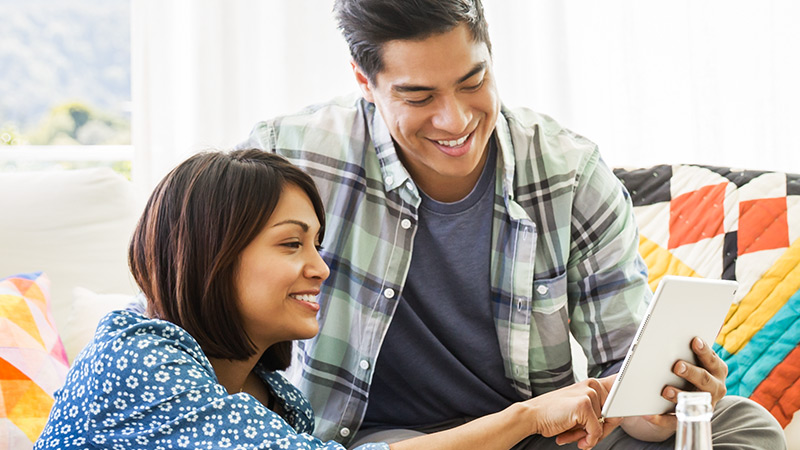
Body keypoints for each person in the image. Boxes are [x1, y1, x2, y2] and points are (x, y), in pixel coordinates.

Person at [240, 1, 787, 449]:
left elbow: (624, 376)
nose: (455, 120)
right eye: (419, 96)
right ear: (365, 79)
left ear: (490, 56)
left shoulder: (568, 173)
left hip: (539, 434)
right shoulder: (289, 157)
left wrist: (663, 400)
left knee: (744, 424)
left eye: (472, 81)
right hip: (377, 440)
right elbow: (180, 299)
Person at [34, 149, 624, 450]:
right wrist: (523, 417)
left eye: (317, 244)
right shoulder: (137, 359)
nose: (320, 268)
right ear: (214, 254)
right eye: (292, 244)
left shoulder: (275, 398)